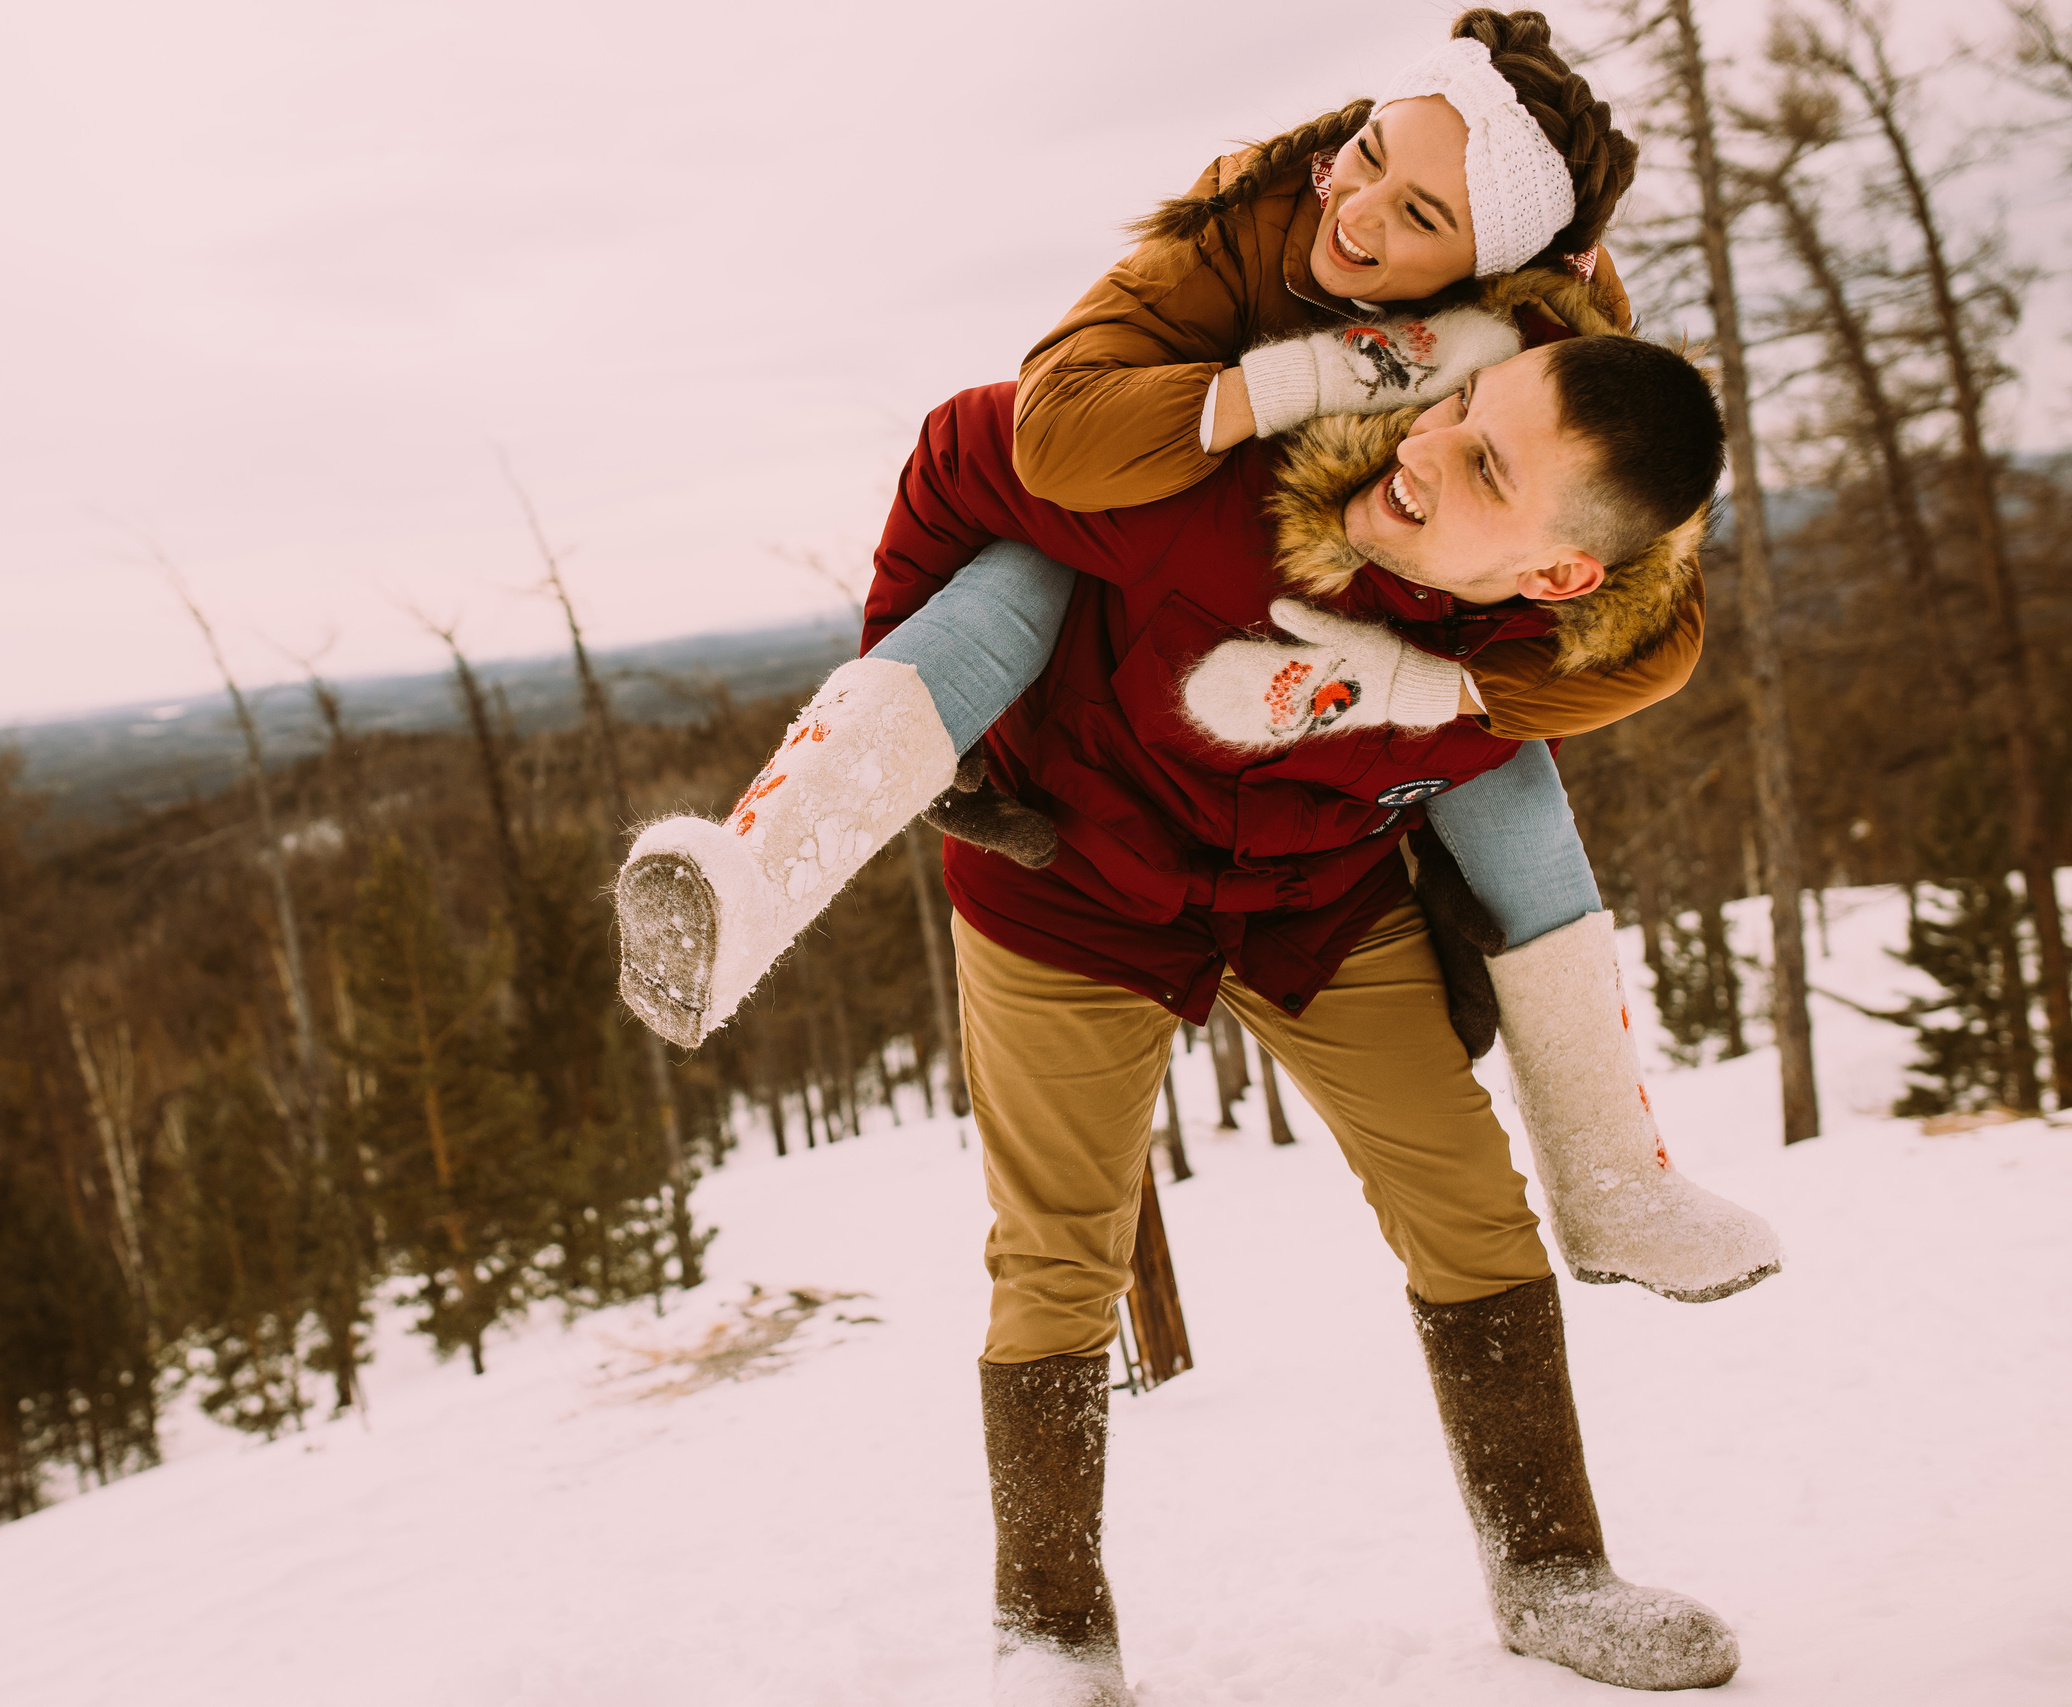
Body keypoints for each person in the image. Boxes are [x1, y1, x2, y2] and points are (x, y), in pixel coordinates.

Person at [616, 8, 1778, 1306]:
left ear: (1497, 274)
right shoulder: (1243, 248)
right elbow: (1009, 447)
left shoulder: (1556, 399)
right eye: (1365, 157)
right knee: (1030, 570)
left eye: (1421, 215)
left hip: (1324, 825)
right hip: (1156, 530)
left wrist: (1425, 689)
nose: (1358, 213)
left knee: (1510, 759)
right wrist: (1303, 384)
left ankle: (1614, 1181)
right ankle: (758, 873)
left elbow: (1655, 632)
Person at [909, 336, 1736, 1701]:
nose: (1424, 445)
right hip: (1071, 886)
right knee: (1055, 1254)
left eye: (1485, 467)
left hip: (1317, 905)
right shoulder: (1238, 480)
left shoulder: (1548, 656)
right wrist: (907, 707)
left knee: (1471, 1207)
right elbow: (972, 449)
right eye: (1458, 407)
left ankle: (1551, 1573)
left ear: (1558, 576)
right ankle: (1051, 1639)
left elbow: (1655, 641)